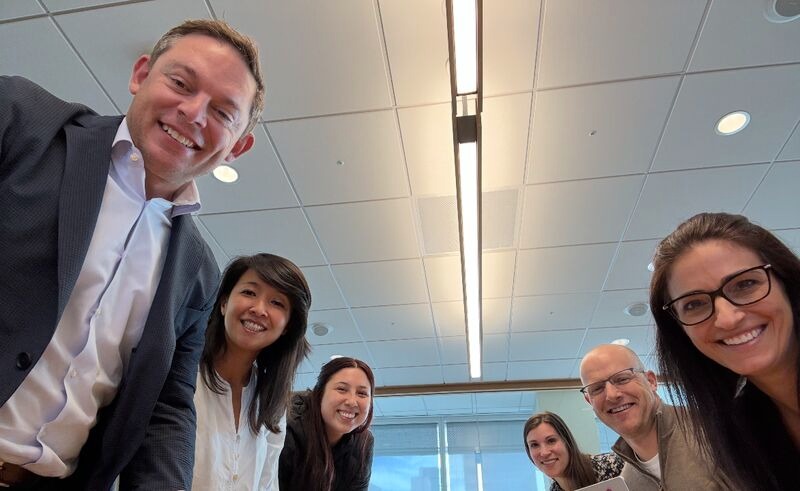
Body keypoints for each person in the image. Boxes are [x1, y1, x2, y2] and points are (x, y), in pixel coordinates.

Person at [0, 19, 264, 489]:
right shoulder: (21, 121)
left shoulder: (199, 273)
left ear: (238, 147)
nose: (194, 113)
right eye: (180, 83)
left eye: (224, 113)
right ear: (141, 74)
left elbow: (167, 408)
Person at [650, 212, 800, 489]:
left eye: (745, 284)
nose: (728, 319)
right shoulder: (741, 425)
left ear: (786, 283)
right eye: (694, 304)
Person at [193, 254, 311, 490]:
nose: (259, 309)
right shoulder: (183, 373)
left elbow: (267, 483)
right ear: (224, 303)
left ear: (287, 326)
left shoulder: (272, 400)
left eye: (277, 303)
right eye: (249, 293)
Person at [579, 344, 731, 490]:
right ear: (589, 401)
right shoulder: (629, 482)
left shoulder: (712, 430)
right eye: (597, 389)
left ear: (651, 381)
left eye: (622, 379)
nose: (612, 395)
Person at [278, 357, 375, 491]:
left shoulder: (363, 442)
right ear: (319, 393)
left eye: (362, 393)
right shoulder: (286, 428)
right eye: (342, 389)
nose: (352, 402)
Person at [523, 411, 622, 491]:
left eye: (551, 441)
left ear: (567, 441)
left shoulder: (611, 465)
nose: (544, 452)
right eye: (534, 445)